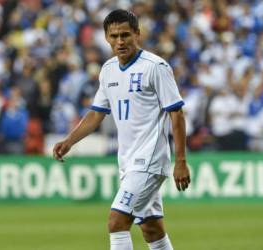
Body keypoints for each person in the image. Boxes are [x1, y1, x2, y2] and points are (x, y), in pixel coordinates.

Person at [53, 9, 190, 250]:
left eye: (125, 35)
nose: (120, 41)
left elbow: (176, 114)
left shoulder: (155, 66)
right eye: (114, 36)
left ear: (137, 34)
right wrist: (69, 141)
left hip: (149, 159)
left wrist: (180, 160)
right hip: (127, 161)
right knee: (152, 229)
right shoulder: (108, 70)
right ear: (106, 37)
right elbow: (97, 113)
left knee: (116, 222)